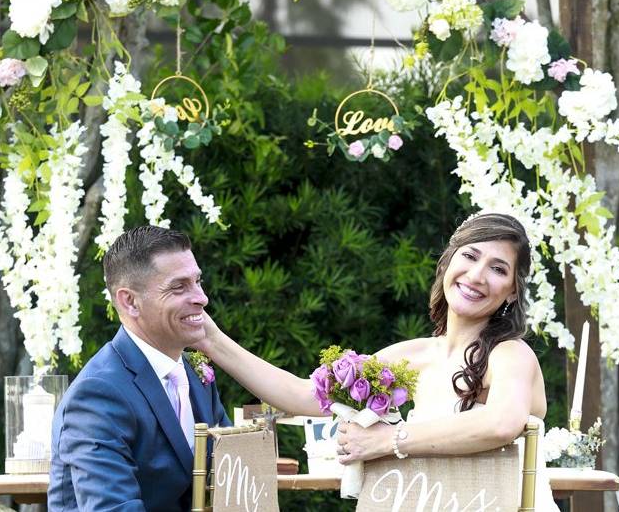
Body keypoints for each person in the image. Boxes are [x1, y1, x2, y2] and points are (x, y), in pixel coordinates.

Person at [196, 213, 559, 510]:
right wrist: (210, 339)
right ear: (449, 261)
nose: (477, 275)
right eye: (470, 255)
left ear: (512, 289)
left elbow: (501, 424)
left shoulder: (511, 354)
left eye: (498, 269)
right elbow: (304, 396)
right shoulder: (410, 357)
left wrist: (389, 440)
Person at [48, 226, 230, 512]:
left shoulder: (196, 374)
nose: (201, 298)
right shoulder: (97, 395)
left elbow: (231, 479)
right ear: (130, 301)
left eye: (197, 281)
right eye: (179, 286)